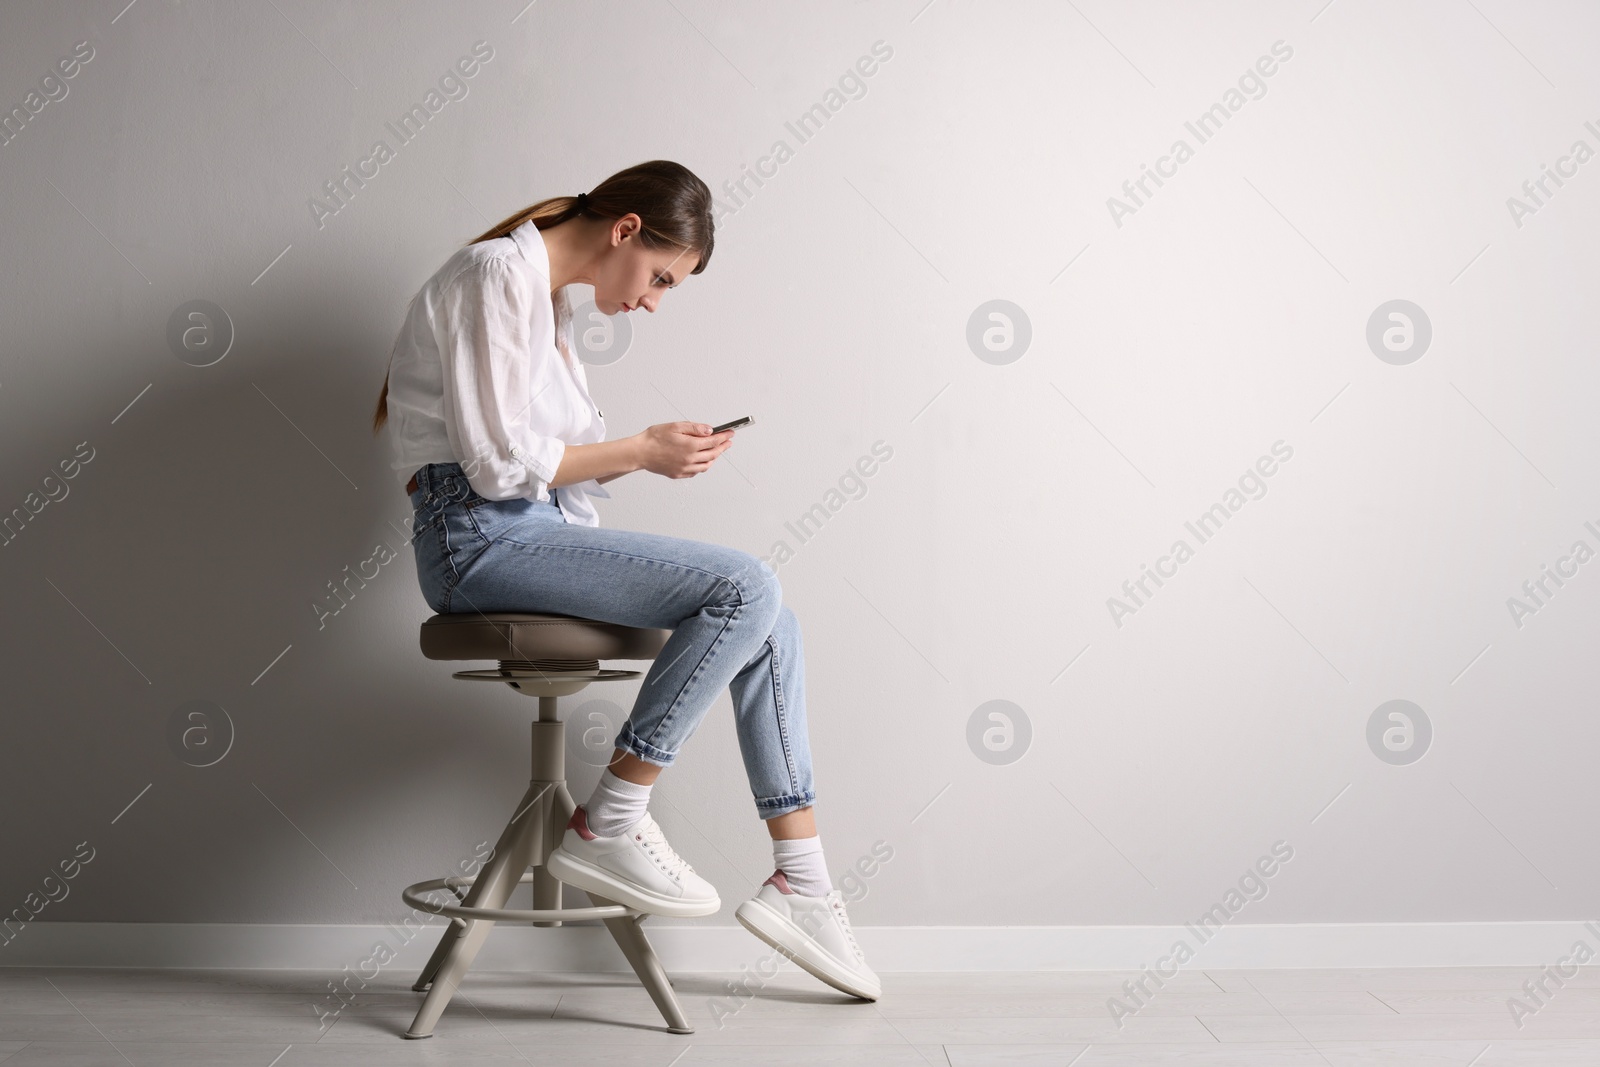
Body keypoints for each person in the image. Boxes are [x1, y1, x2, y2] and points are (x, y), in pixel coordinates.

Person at [372, 160, 878, 1000]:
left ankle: (805, 883)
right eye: (661, 278)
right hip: (471, 542)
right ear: (626, 231)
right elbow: (498, 470)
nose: (651, 301)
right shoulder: (494, 273)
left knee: (769, 614)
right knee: (747, 586)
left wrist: (651, 458)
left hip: (521, 533)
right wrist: (642, 450)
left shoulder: (548, 306)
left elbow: (550, 478)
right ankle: (608, 821)